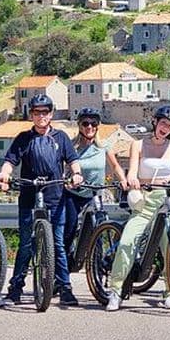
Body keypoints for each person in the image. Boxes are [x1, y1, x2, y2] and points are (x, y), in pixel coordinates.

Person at [0, 94, 83, 306]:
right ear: (31, 115)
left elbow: (72, 160)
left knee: (58, 245)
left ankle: (65, 289)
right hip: (29, 194)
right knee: (26, 243)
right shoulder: (23, 138)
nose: (41, 116)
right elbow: (10, 161)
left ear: (51, 114)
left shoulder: (60, 137)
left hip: (55, 196)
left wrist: (77, 174)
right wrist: (4, 174)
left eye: (45, 112)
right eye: (37, 112)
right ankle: (15, 289)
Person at [106, 105, 170, 311]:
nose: (165, 128)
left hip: (168, 199)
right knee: (127, 241)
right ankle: (115, 290)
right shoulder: (138, 145)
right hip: (145, 199)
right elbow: (133, 170)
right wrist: (132, 179)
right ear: (155, 122)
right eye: (163, 123)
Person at [62, 107, 128, 287]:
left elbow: (115, 166)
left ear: (98, 126)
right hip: (74, 194)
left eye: (93, 123)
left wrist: (123, 180)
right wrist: (67, 181)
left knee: (98, 227)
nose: (89, 127)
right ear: (79, 125)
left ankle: (96, 263)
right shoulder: (71, 146)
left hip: (96, 194)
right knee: (69, 229)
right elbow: (63, 169)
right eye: (85, 123)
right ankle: (62, 272)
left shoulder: (103, 146)